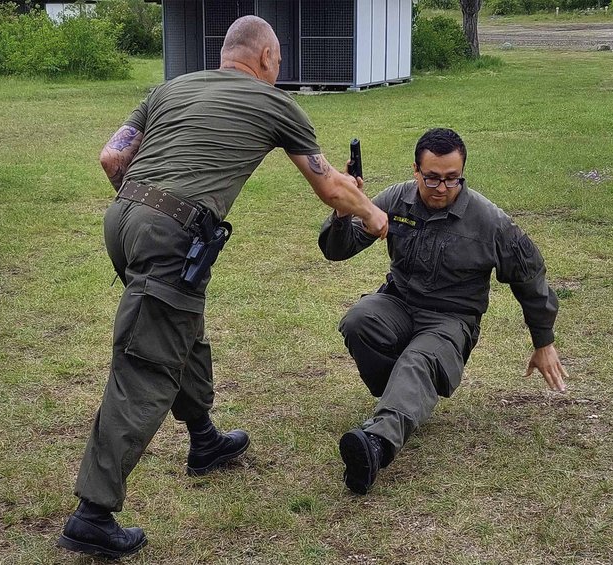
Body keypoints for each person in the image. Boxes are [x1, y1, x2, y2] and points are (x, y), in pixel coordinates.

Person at [57, 15, 388, 559]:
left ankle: (205, 440)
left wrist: (143, 211)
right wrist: (373, 215)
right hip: (171, 233)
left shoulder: (171, 88)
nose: (277, 73)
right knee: (147, 365)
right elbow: (330, 187)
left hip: (121, 219)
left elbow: (112, 157)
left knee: (177, 324)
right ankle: (93, 513)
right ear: (264, 58)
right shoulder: (277, 104)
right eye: (277, 63)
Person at [319, 128, 568, 495]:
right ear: (416, 170)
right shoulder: (395, 199)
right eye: (432, 177)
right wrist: (342, 211)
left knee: (418, 360)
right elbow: (338, 250)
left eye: (453, 179)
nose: (441, 187)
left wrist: (543, 342)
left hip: (451, 319)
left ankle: (376, 445)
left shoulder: (490, 222)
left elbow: (529, 277)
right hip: (399, 302)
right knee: (360, 320)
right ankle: (403, 401)